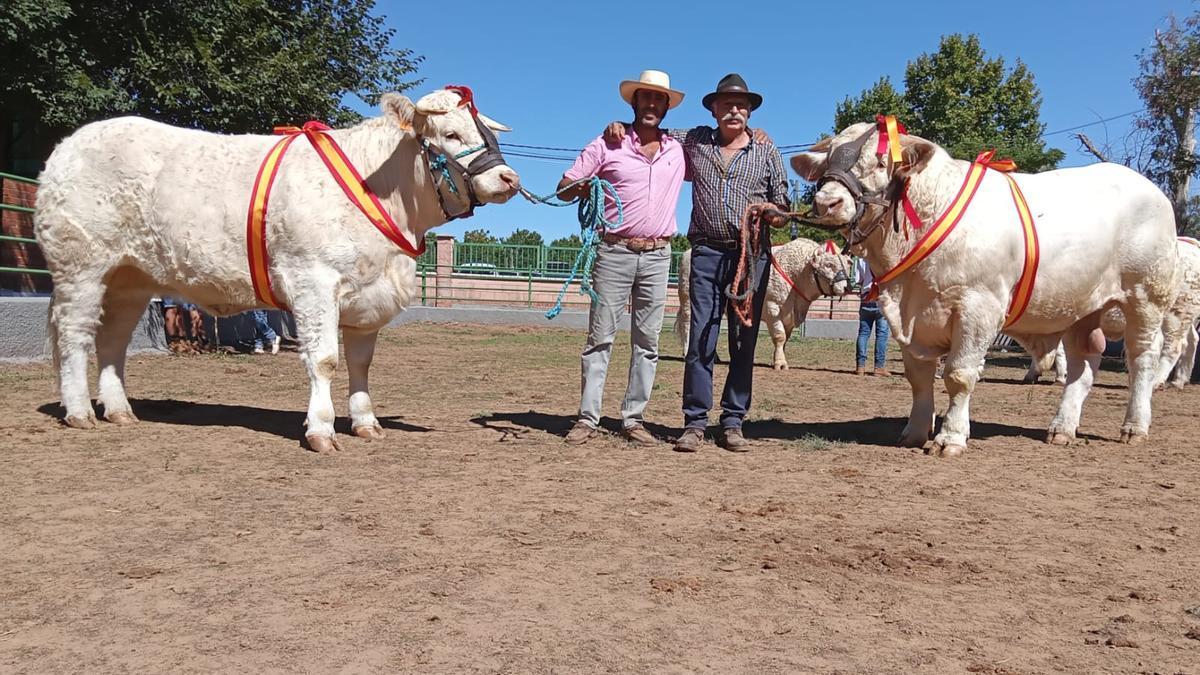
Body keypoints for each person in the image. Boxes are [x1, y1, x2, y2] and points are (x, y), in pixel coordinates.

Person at [615, 73, 789, 453]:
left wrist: (773, 214)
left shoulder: (767, 151)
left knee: (744, 341)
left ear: (750, 112)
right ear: (713, 109)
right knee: (700, 341)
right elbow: (651, 132)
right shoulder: (693, 140)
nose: (734, 110)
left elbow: (783, 203)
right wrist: (620, 127)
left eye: (741, 105)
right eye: (726, 104)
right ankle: (694, 422)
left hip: (751, 257)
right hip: (707, 253)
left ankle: (732, 422)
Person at [558, 70, 688, 447]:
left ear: (666, 106)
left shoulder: (678, 149)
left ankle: (634, 419)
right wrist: (583, 186)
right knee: (600, 337)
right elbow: (564, 187)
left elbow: (719, 145)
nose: (651, 104)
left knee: (648, 342)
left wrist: (757, 136)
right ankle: (587, 418)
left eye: (658, 99)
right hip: (613, 250)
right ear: (634, 103)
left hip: (658, 254)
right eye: (644, 98)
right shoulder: (606, 143)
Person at [854, 257, 890, 376]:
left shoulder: (861, 259)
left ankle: (860, 366)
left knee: (863, 333)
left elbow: (858, 280)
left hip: (866, 298)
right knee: (882, 334)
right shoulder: (884, 257)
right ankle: (879, 367)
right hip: (881, 298)